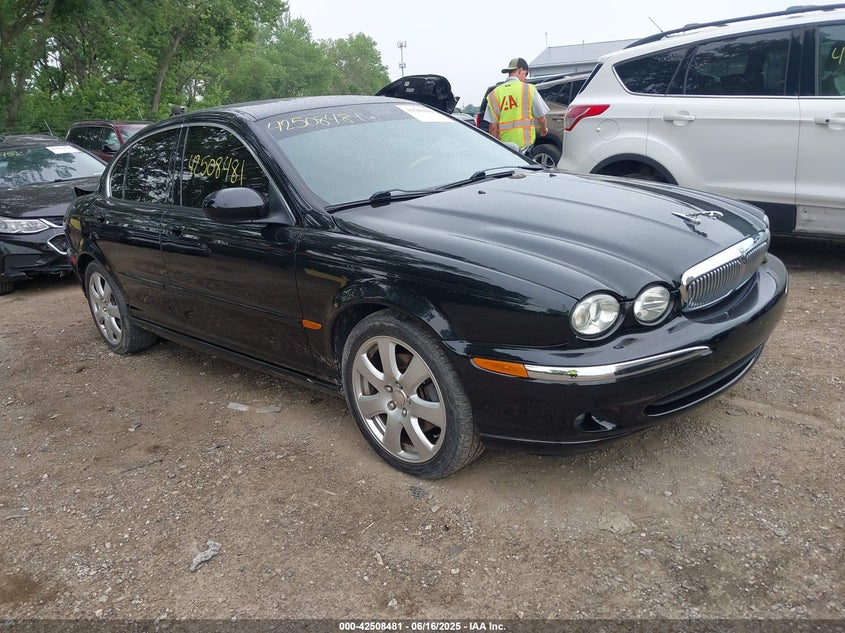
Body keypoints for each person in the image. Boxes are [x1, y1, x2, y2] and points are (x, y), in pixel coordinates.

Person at [483, 57, 549, 148]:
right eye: (525, 74)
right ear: (520, 70)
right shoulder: (528, 89)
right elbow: (541, 118)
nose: (525, 78)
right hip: (525, 146)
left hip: (505, 147)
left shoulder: (494, 94)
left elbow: (493, 127)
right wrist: (544, 129)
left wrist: (495, 148)